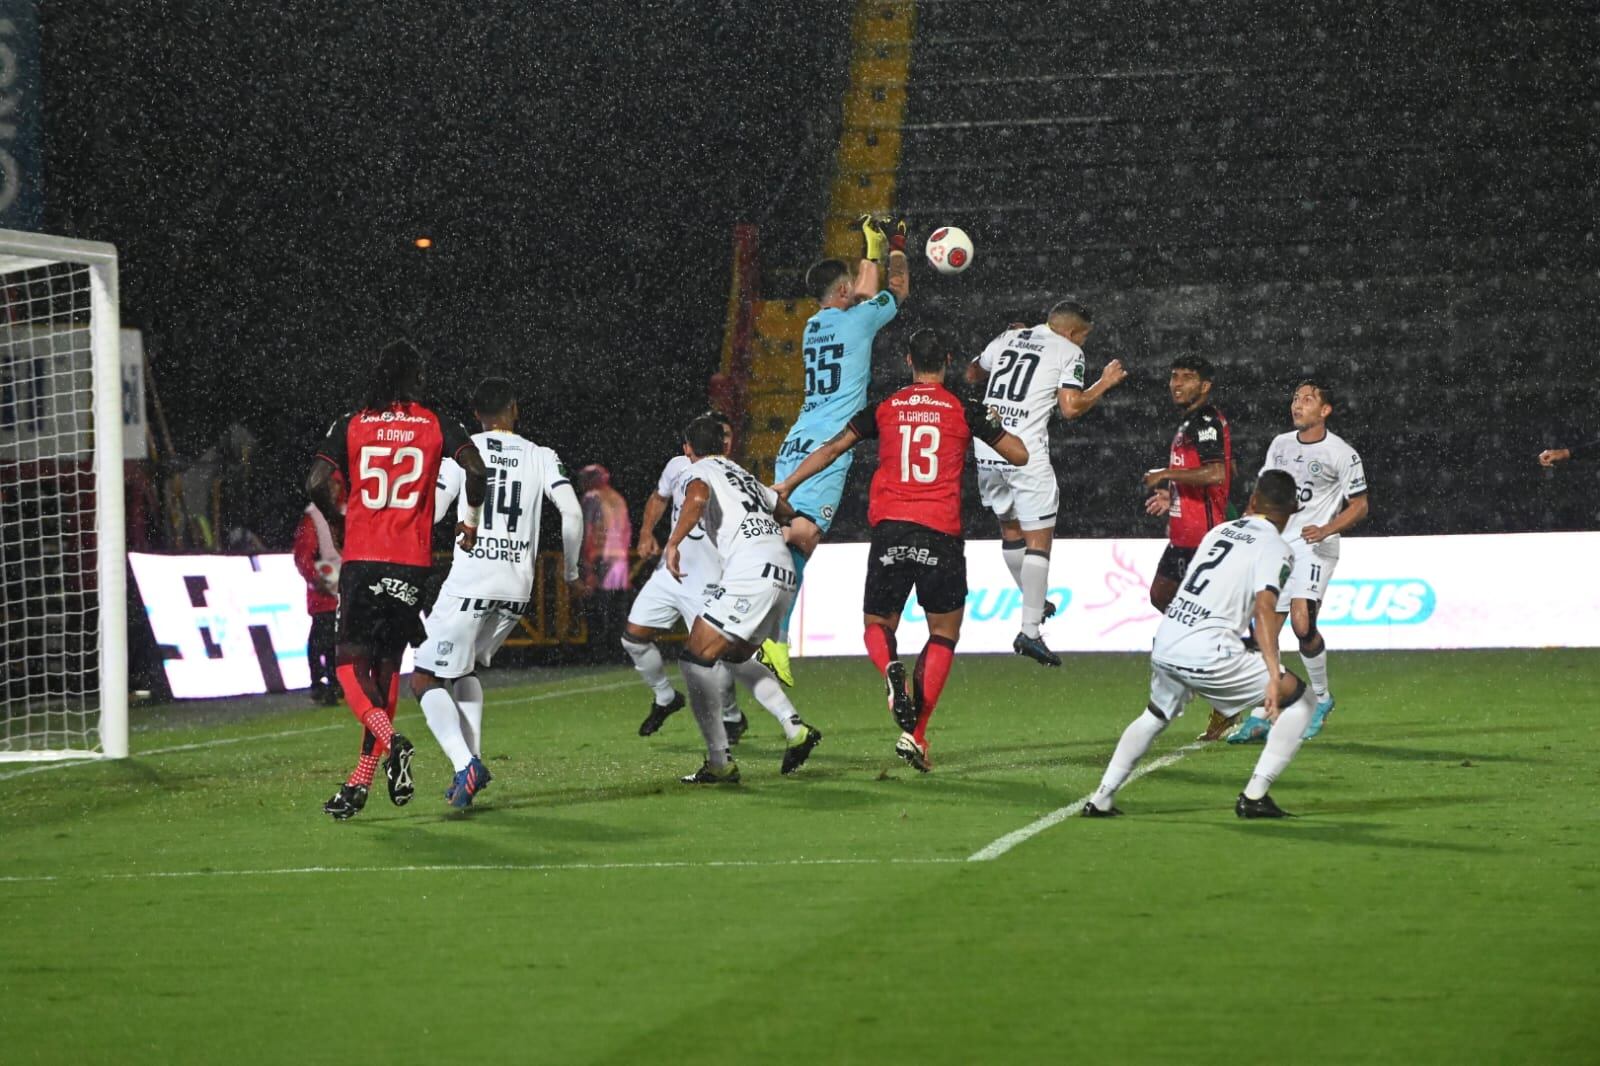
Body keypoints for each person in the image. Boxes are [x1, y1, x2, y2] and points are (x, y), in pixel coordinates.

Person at [775, 328, 1028, 770]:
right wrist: (992, 420)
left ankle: (890, 668)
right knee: (943, 634)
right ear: (947, 360)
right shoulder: (963, 409)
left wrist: (788, 485)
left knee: (877, 623)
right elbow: (1019, 455)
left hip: (891, 530)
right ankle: (916, 735)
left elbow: (833, 447)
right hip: (941, 533)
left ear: (909, 361)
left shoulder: (886, 407)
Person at [306, 340, 486, 821]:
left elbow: (314, 482)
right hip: (412, 563)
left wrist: (342, 518)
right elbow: (476, 469)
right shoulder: (434, 423)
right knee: (387, 671)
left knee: (348, 667)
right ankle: (361, 779)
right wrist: (468, 519)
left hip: (365, 558)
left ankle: (391, 742)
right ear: (414, 378)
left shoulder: (353, 423)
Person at [1082, 470, 1319, 819]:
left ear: (1252, 501)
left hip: (1168, 638)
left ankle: (1101, 797)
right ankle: (1254, 796)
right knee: (1301, 700)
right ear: (1292, 511)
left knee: (1155, 715)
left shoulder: (1218, 531)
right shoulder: (1277, 548)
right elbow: (1265, 608)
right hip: (1208, 651)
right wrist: (1271, 672)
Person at [412, 377, 583, 808]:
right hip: (517, 587)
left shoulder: (462, 451)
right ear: (514, 408)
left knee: (423, 678)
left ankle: (463, 763)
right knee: (464, 670)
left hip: (472, 580)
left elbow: (432, 511)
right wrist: (572, 568)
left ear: (475, 415)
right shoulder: (541, 456)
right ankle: (471, 766)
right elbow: (573, 513)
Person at [761, 213, 911, 686]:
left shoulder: (814, 326)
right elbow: (898, 289)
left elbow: (863, 294)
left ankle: (773, 636)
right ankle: (767, 620)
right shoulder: (858, 320)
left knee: (798, 541)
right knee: (801, 536)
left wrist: (871, 247)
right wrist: (895, 249)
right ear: (844, 291)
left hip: (796, 438)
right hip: (826, 447)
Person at [963, 299, 1126, 666]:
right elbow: (1070, 408)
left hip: (988, 444)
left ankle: (1032, 599)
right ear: (1071, 332)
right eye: (1083, 336)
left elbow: (973, 373)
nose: (1082, 343)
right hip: (1024, 450)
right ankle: (1030, 631)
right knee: (1039, 539)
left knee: (1010, 530)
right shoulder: (1068, 350)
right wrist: (1104, 383)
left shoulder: (1010, 336)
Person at [664, 414, 822, 783]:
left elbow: (698, 496)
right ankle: (794, 728)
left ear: (688, 450)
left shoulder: (695, 471)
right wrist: (793, 522)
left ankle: (719, 763)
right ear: (722, 445)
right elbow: (781, 507)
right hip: (782, 571)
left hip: (751, 572)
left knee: (693, 660)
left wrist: (673, 542)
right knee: (734, 655)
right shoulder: (743, 474)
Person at [625, 411, 794, 745]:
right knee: (633, 637)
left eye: (730, 435)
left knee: (715, 659)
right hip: (669, 575)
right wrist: (646, 532)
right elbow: (659, 498)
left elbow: (763, 510)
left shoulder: (734, 476)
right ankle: (665, 697)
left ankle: (731, 717)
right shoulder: (678, 467)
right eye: (723, 435)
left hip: (707, 578)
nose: (727, 441)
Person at [1229, 381, 1368, 744]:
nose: (1298, 405)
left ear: (1325, 411)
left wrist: (1326, 528)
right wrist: (1249, 524)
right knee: (1264, 632)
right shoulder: (1280, 445)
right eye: (1295, 398)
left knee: (1303, 622)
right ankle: (1265, 709)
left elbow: (1360, 505)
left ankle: (1320, 698)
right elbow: (1262, 493)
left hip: (1316, 545)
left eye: (1308, 400)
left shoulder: (1341, 453)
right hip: (1279, 545)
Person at [1142, 356, 1234, 613]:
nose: (1177, 383)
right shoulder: (1191, 421)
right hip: (1184, 535)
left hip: (1203, 536)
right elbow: (1214, 468)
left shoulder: (1206, 420)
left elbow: (1217, 473)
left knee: (1202, 604)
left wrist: (1166, 474)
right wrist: (1173, 495)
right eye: (1174, 376)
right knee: (1161, 595)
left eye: (1187, 377)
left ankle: (1222, 645)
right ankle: (1200, 642)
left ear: (1205, 386)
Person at [292, 470, 344, 705]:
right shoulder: (314, 516)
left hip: (341, 587)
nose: (332, 490)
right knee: (323, 637)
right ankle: (321, 683)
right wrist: (316, 579)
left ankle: (333, 682)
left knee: (334, 639)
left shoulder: (344, 511)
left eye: (335, 485)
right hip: (325, 590)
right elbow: (303, 555)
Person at [579, 464, 632, 662]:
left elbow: (587, 531)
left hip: (600, 558)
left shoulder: (592, 498)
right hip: (620, 559)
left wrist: (587, 566)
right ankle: (618, 652)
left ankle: (598, 654)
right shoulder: (618, 499)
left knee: (596, 609)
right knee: (617, 610)